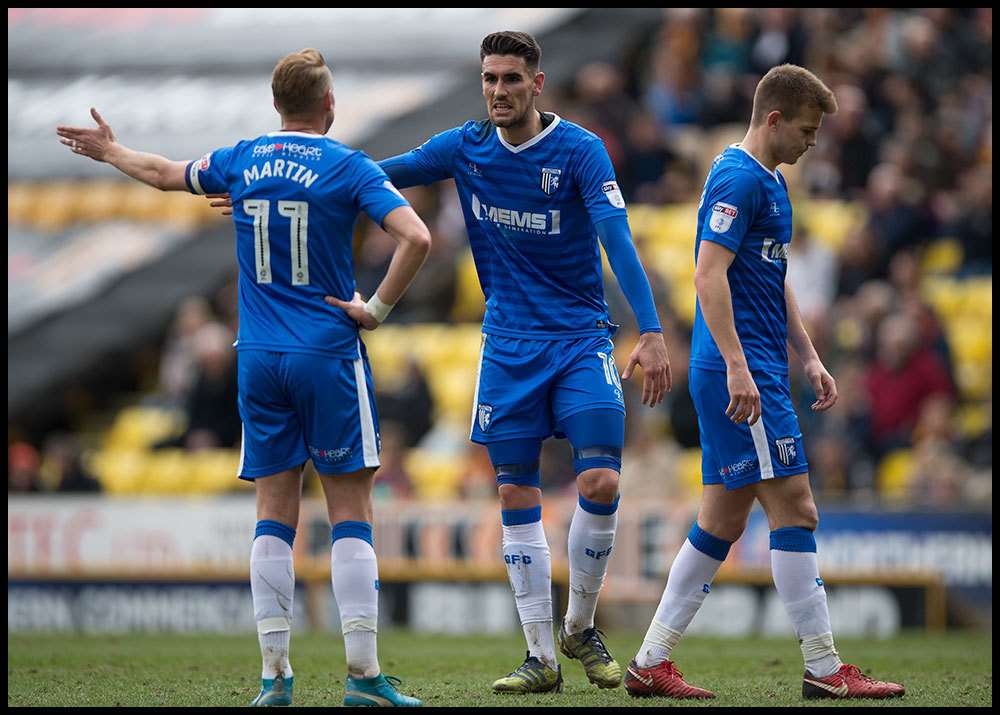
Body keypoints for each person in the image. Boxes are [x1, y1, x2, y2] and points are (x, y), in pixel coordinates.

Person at [57, 48, 429, 708]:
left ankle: (274, 676)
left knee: (272, 515)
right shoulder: (347, 166)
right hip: (326, 352)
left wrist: (111, 152)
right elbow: (417, 238)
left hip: (257, 355)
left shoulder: (246, 161)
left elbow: (168, 173)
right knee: (351, 513)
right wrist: (373, 309)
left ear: (277, 105)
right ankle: (364, 676)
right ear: (329, 104)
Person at [378, 31, 672, 694]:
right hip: (507, 347)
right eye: (490, 79)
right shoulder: (465, 147)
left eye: (512, 79)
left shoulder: (579, 151)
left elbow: (617, 241)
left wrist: (649, 329)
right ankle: (541, 655)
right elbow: (378, 172)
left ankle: (579, 625)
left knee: (599, 481)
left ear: (537, 83)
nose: (499, 91)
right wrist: (289, 176)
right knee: (516, 493)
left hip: (579, 340)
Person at [624, 64, 905, 700]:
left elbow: (771, 279)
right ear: (773, 119)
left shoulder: (773, 183)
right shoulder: (736, 178)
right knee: (796, 508)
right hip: (739, 374)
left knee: (721, 521)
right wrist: (737, 364)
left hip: (757, 368)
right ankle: (824, 667)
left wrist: (807, 355)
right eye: (806, 130)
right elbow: (707, 276)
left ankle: (649, 662)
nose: (813, 142)